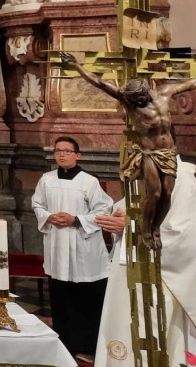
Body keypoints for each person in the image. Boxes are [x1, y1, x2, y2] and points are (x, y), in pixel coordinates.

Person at [60, 51, 196, 249]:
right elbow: (99, 83)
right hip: (150, 154)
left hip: (168, 153)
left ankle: (156, 227)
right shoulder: (129, 102)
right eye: (135, 99)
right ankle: (146, 230)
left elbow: (189, 84)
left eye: (140, 98)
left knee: (167, 193)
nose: (138, 102)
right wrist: (76, 66)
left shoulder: (165, 93)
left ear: (147, 91)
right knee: (155, 194)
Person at [95, 157, 196, 367]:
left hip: (160, 275)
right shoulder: (144, 173)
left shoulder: (183, 178)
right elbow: (134, 210)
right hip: (127, 266)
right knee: (122, 325)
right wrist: (121, 215)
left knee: (153, 333)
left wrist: (130, 226)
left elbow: (182, 233)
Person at [32, 136, 114, 358]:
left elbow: (104, 210)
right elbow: (37, 204)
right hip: (57, 245)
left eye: (67, 151)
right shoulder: (46, 179)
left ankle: (88, 348)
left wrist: (76, 220)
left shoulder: (89, 181)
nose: (61, 154)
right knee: (61, 297)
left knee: (87, 298)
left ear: (77, 155)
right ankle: (65, 346)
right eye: (58, 150)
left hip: (83, 247)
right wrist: (48, 216)